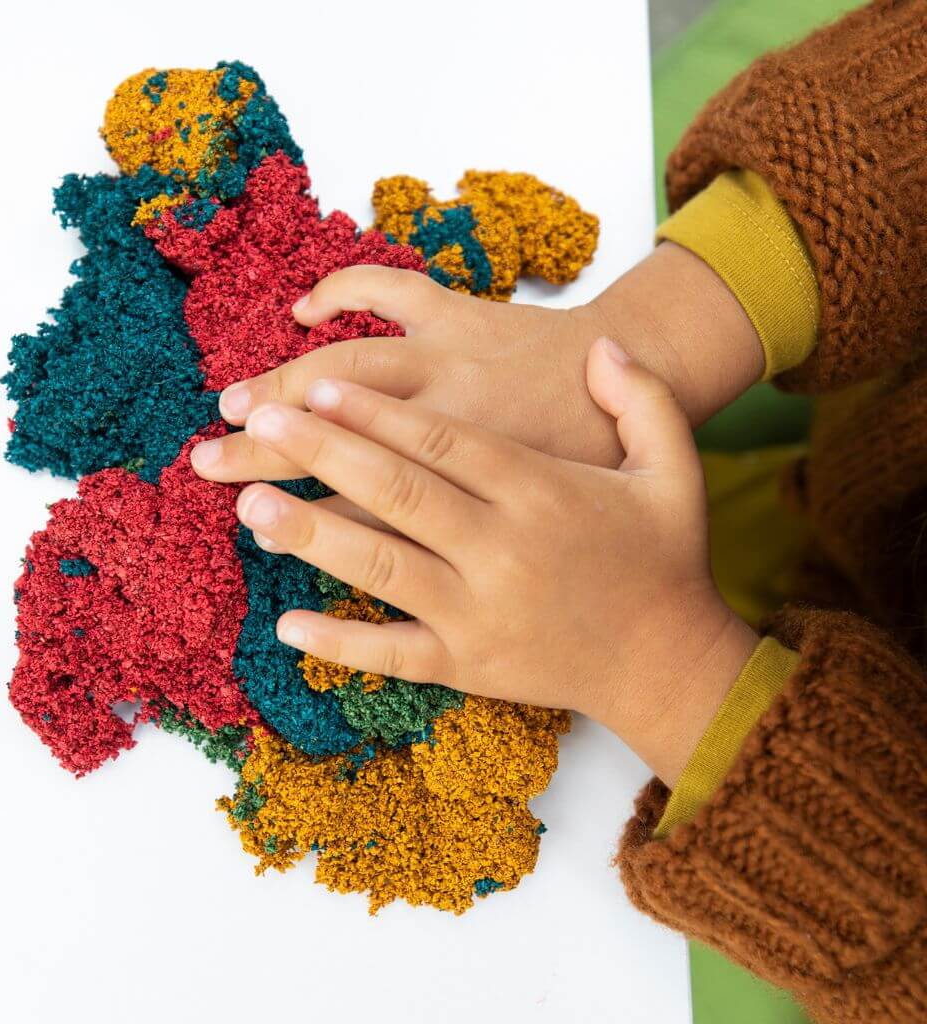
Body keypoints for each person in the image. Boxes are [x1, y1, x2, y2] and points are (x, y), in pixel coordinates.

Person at [189, 2, 927, 1019]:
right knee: (638, 134)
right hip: (878, 403)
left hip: (855, 826)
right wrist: (649, 334)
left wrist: (661, 662)